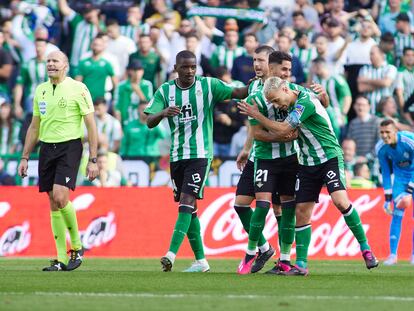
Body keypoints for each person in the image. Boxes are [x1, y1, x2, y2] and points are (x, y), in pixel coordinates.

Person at [238, 76, 379, 276]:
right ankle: (301, 264)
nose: (277, 105)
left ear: (285, 89)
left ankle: (365, 248)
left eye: (277, 100)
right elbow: (320, 104)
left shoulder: (304, 103)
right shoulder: (290, 99)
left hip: (329, 156)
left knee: (340, 201)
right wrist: (326, 99)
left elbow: (285, 128)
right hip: (306, 163)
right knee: (302, 212)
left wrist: (255, 115)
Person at [144, 50, 249, 272]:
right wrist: (163, 112)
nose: (190, 71)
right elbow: (149, 121)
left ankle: (170, 254)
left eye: (193, 67)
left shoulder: (208, 86)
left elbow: (238, 92)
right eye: (185, 67)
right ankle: (201, 261)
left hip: (200, 154)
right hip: (176, 155)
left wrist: (258, 84)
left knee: (187, 199)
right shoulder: (166, 90)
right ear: (175, 68)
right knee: (189, 208)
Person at [17, 51, 99, 272]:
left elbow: (91, 125)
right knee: (53, 201)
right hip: (46, 147)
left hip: (70, 146)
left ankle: (78, 247)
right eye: (48, 61)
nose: (51, 64)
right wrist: (25, 156)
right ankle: (61, 258)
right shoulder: (41, 90)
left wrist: (93, 159)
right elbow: (35, 126)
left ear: (66, 66)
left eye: (55, 61)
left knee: (62, 196)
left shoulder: (78, 89)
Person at [375, 119, 414, 265]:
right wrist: (387, 199)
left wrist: (410, 190)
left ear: (395, 131)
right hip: (400, 179)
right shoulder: (380, 148)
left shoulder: (408, 140)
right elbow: (385, 173)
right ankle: (393, 255)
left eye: (387, 132)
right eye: (382, 132)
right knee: (397, 215)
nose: (384, 135)